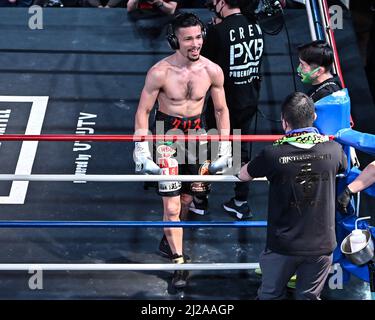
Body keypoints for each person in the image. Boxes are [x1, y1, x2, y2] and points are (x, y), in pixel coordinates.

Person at [133, 12, 231, 288]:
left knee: (189, 200)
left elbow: (222, 110)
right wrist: (141, 148)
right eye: (188, 39)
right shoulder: (159, 72)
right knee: (172, 205)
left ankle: (169, 239)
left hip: (199, 137)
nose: (195, 44)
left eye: (198, 37)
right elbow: (143, 111)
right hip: (167, 138)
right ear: (174, 40)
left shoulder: (212, 70)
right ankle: (178, 260)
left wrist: (225, 146)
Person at [239, 92, 347, 300]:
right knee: (308, 298)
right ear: (314, 117)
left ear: (284, 121)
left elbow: (244, 175)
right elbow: (343, 164)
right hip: (321, 244)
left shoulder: (272, 154)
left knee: (270, 296)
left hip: (283, 245)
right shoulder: (334, 150)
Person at [189, 0, 263, 219]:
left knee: (209, 148)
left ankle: (200, 200)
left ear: (222, 2)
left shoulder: (218, 31)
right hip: (248, 99)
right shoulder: (256, 27)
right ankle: (240, 201)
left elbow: (203, 64)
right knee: (242, 150)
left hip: (223, 103)